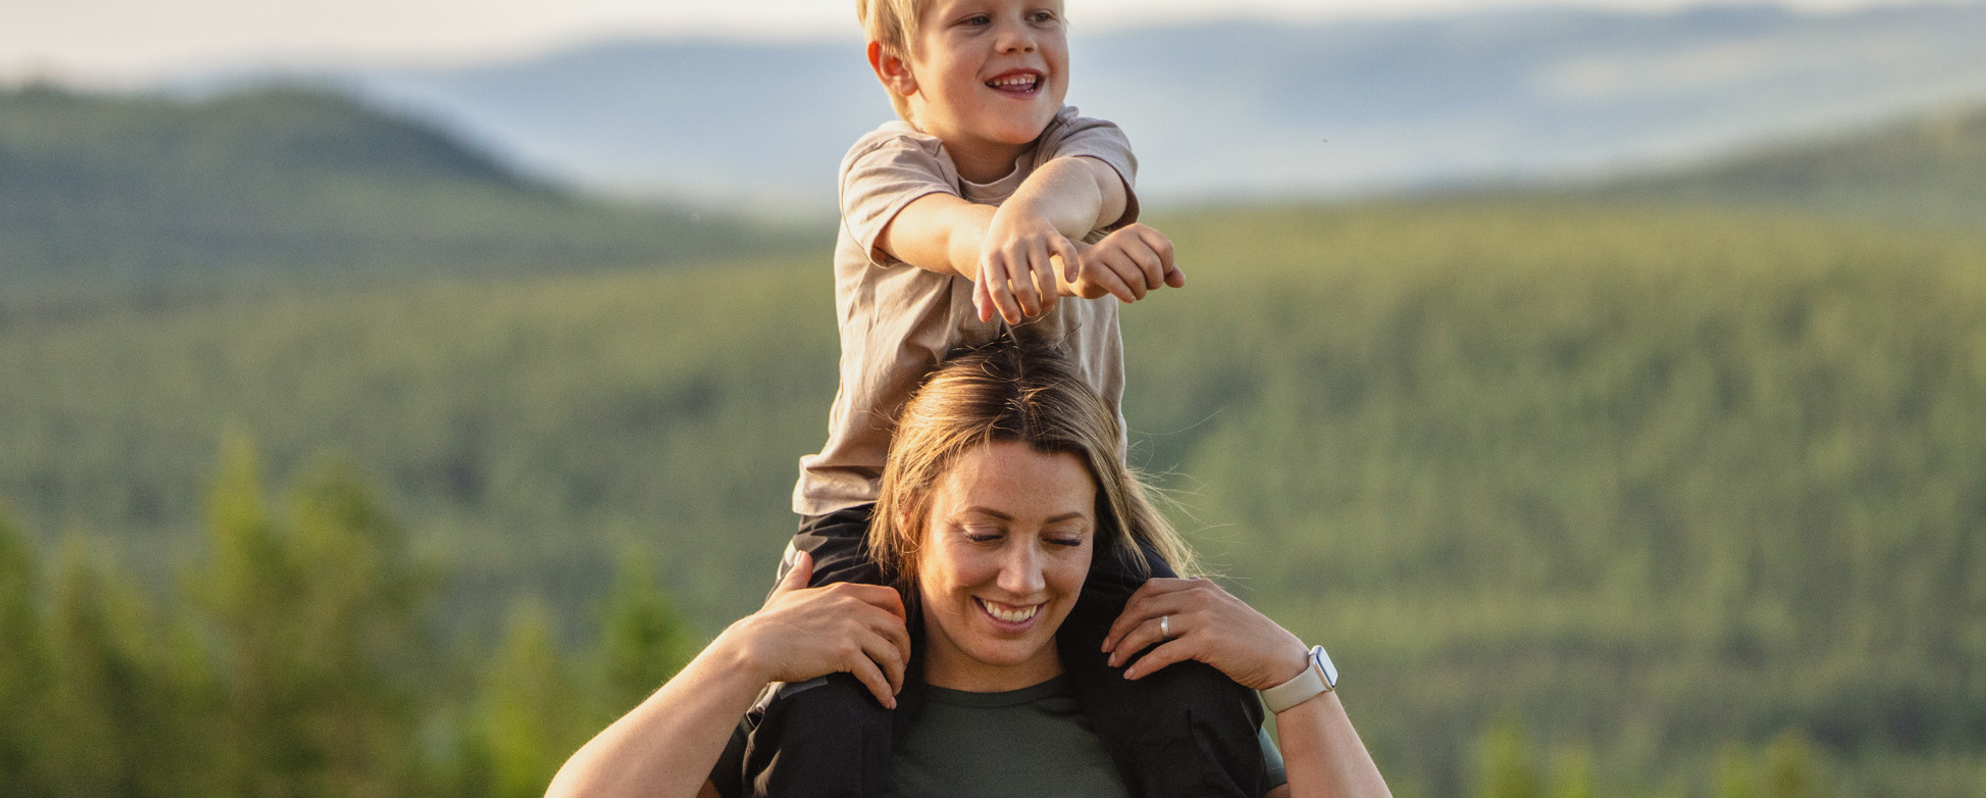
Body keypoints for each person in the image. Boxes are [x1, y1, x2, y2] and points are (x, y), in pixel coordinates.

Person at [549, 342, 1392, 798]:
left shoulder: (1162, 717)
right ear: (911, 518)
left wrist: (1293, 675)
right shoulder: (820, 729)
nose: (1022, 579)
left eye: (1063, 539)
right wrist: (743, 656)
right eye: (985, 534)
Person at [771, 0, 1226, 793]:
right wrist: (1062, 262)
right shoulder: (885, 169)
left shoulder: (1088, 145)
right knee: (827, 718)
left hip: (1064, 521)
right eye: (975, 19)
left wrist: (1048, 230)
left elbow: (1081, 190)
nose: (1017, 36)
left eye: (1041, 14)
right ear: (897, 68)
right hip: (870, 510)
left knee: (1187, 693)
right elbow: (952, 238)